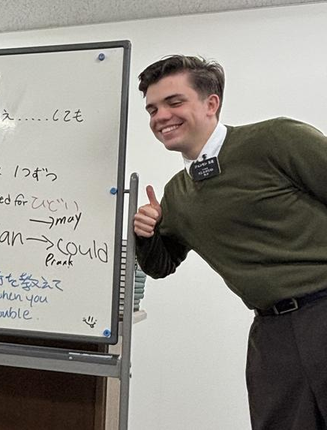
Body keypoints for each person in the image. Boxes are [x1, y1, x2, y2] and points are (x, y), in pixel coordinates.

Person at [133, 55, 327, 430]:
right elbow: (160, 265)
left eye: (174, 102)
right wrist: (147, 233)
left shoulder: (275, 139)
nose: (160, 117)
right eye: (152, 109)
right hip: (271, 334)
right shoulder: (177, 194)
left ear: (211, 103)